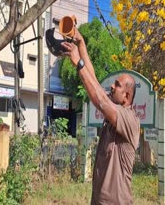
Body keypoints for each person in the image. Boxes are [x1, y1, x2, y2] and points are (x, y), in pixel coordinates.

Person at [61, 28, 140, 205]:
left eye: (117, 85)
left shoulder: (130, 120)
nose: (112, 86)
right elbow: (94, 82)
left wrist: (78, 64)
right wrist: (81, 43)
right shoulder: (115, 112)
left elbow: (101, 101)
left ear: (126, 96)